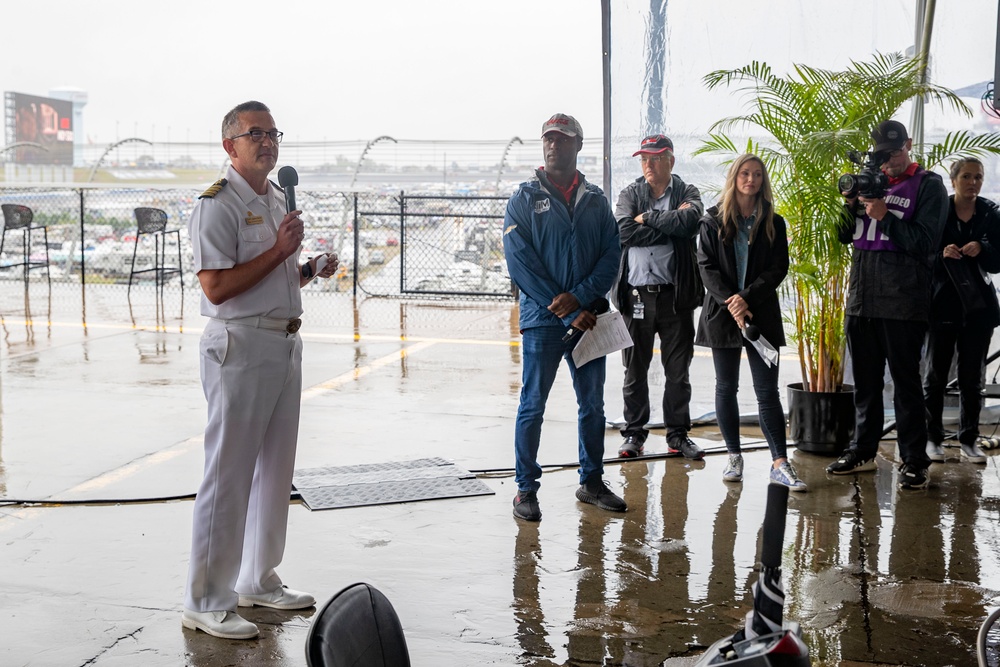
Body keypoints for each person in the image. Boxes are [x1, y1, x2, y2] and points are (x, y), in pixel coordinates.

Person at [182, 101, 338, 639]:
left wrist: (306, 269)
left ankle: (258, 578)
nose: (268, 142)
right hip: (240, 349)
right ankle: (205, 598)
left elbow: (273, 275)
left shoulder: (274, 197)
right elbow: (218, 287)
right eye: (256, 134)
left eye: (274, 133)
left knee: (275, 472)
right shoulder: (217, 205)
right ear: (230, 145)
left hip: (283, 345)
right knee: (227, 476)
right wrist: (278, 251)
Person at [503, 113, 624, 522]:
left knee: (592, 405)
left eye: (563, 139)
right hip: (543, 320)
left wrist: (582, 299)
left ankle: (591, 482)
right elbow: (520, 262)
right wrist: (565, 307)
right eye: (548, 139)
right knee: (532, 405)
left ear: (577, 145)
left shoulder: (596, 200)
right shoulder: (523, 199)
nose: (554, 145)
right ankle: (524, 491)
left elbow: (612, 255)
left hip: (588, 318)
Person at [827, 120, 948, 489]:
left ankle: (914, 459)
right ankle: (862, 450)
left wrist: (886, 217)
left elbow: (926, 242)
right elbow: (843, 235)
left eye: (895, 152)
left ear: (908, 145)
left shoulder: (929, 185)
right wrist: (851, 205)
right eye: (882, 154)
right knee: (865, 384)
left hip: (904, 302)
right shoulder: (870, 182)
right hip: (862, 299)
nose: (889, 160)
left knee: (906, 385)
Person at [695, 154, 805, 491]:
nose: (751, 179)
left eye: (757, 174)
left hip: (761, 314)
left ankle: (780, 463)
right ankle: (733, 457)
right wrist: (732, 301)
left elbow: (778, 268)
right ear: (734, 177)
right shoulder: (711, 220)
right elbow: (706, 266)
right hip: (722, 313)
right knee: (726, 387)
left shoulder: (774, 221)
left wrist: (747, 298)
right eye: (745, 173)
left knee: (766, 391)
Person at [611, 134, 705, 460]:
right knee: (634, 369)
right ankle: (634, 434)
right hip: (636, 295)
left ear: (671, 161)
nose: (649, 164)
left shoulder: (687, 192)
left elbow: (691, 221)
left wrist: (648, 218)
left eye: (656, 158)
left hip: (674, 296)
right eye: (644, 159)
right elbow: (622, 231)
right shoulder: (630, 193)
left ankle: (677, 434)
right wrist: (669, 225)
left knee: (678, 371)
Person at [924, 157, 1000, 465]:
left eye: (978, 177)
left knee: (972, 377)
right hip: (942, 302)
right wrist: (940, 254)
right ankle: (932, 438)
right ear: (953, 180)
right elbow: (920, 254)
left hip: (978, 307)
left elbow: (998, 263)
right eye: (967, 177)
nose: (973, 183)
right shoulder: (938, 209)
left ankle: (969, 439)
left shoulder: (990, 213)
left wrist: (983, 249)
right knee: (935, 375)